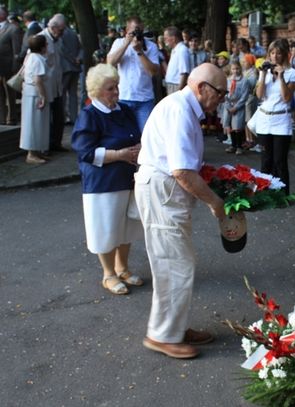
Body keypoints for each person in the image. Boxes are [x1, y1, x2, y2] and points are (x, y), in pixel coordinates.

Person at [135, 63, 226, 359]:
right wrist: (215, 202)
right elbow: (182, 172)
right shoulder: (179, 110)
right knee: (174, 264)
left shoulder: (181, 107)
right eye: (220, 94)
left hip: (164, 192)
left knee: (177, 261)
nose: (221, 100)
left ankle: (174, 327)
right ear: (202, 88)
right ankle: (162, 335)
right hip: (163, 192)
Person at [71, 63, 143, 296]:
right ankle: (108, 274)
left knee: (128, 226)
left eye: (116, 87)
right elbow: (86, 151)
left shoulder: (123, 111)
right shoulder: (89, 115)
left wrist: (140, 147)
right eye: (110, 88)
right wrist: (121, 155)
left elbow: (138, 135)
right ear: (96, 91)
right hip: (103, 182)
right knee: (106, 228)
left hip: (127, 178)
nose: (116, 92)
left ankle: (123, 268)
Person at [254, 39, 295, 194]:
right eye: (272, 53)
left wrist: (281, 77)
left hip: (281, 120)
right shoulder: (264, 72)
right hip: (265, 119)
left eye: (278, 53)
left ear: (285, 54)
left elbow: (287, 98)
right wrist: (262, 74)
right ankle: (265, 192)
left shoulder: (292, 73)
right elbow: (259, 95)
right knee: (266, 159)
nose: (275, 56)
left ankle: (283, 194)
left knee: (280, 160)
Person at [107, 16, 160, 132]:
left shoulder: (151, 46)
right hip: (123, 97)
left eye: (139, 31)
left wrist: (140, 51)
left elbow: (153, 72)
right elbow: (110, 63)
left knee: (145, 136)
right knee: (124, 135)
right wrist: (126, 44)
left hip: (144, 100)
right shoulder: (119, 43)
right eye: (134, 31)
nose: (137, 35)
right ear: (127, 30)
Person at [39, 14, 67, 152]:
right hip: (46, 85)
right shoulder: (41, 39)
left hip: (57, 84)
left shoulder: (58, 40)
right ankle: (46, 145)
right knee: (47, 118)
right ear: (53, 27)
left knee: (58, 116)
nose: (62, 33)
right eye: (61, 30)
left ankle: (56, 143)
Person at [19, 34, 49, 164]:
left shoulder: (30, 57)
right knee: (34, 123)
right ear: (42, 47)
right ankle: (31, 154)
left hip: (29, 92)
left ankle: (35, 151)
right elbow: (38, 80)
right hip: (34, 94)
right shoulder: (38, 59)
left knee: (34, 123)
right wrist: (43, 96)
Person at [0, 6, 22, 125]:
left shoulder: (13, 29)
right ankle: (1, 117)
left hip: (8, 67)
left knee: (10, 95)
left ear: (2, 15)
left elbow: (16, 51)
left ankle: (11, 117)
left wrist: (15, 68)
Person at [222, 60, 249, 155]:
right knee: (229, 125)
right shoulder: (228, 80)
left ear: (240, 69)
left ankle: (239, 146)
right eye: (233, 69)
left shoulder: (244, 81)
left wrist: (236, 107)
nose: (235, 71)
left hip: (238, 106)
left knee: (237, 127)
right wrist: (228, 106)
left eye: (237, 68)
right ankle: (233, 145)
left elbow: (244, 96)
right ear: (231, 69)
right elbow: (225, 93)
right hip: (229, 105)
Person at [61, 24, 82, 124]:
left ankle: (63, 117)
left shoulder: (61, 34)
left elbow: (63, 50)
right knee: (73, 94)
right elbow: (80, 48)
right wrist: (78, 59)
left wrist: (72, 60)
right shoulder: (73, 33)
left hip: (65, 68)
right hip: (75, 68)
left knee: (63, 94)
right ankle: (73, 117)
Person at [163, 26, 190, 94]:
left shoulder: (182, 50)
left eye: (166, 38)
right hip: (171, 85)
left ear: (173, 38)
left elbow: (184, 72)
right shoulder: (175, 50)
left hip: (176, 86)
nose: (165, 41)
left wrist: (178, 92)